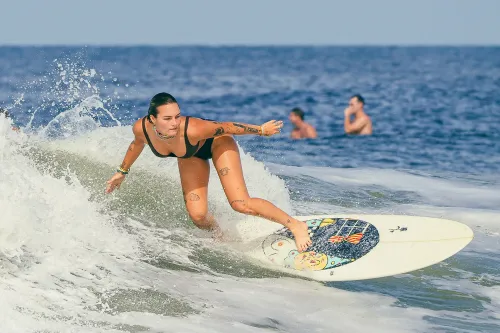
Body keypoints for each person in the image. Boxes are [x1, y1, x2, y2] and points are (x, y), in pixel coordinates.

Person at [105, 92, 312, 252]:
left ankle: (295, 225)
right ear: (152, 119)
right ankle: (220, 236)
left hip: (217, 145)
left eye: (177, 116)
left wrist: (260, 130)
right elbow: (136, 145)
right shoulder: (141, 129)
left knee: (240, 203)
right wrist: (121, 171)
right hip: (190, 155)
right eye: (167, 118)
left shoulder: (193, 128)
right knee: (198, 215)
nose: (174, 123)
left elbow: (227, 127)